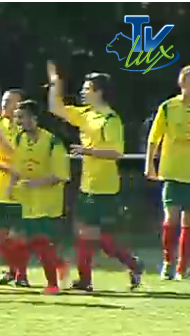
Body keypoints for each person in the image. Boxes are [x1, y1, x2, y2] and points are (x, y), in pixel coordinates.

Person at [46, 60, 144, 292]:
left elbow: (116, 152)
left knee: (93, 236)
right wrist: (55, 83)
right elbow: (55, 107)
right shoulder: (86, 114)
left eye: (87, 88)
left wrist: (87, 151)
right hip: (87, 183)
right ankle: (88, 279)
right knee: (83, 232)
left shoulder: (111, 120)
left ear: (99, 92)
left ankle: (129, 264)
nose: (82, 91)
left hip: (104, 186)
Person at [6, 100, 70, 294]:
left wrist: (34, 183)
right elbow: (17, 167)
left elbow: (60, 176)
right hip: (28, 202)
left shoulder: (53, 143)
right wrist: (11, 185)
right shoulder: (19, 140)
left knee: (41, 245)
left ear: (34, 118)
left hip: (48, 203)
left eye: (22, 117)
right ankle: (59, 265)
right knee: (18, 242)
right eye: (17, 117)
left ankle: (52, 285)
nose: (18, 121)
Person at [145, 65, 190, 280]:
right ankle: (168, 263)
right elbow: (154, 138)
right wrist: (149, 165)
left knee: (188, 223)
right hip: (172, 172)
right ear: (181, 83)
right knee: (170, 219)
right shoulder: (168, 107)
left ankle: (183, 267)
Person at [0, 88, 29, 287]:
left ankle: (22, 275)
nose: (4, 104)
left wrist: (5, 144)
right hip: (0, 188)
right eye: (4, 100)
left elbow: (24, 155)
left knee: (19, 235)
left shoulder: (26, 127)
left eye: (9, 101)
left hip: (21, 189)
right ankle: (13, 269)